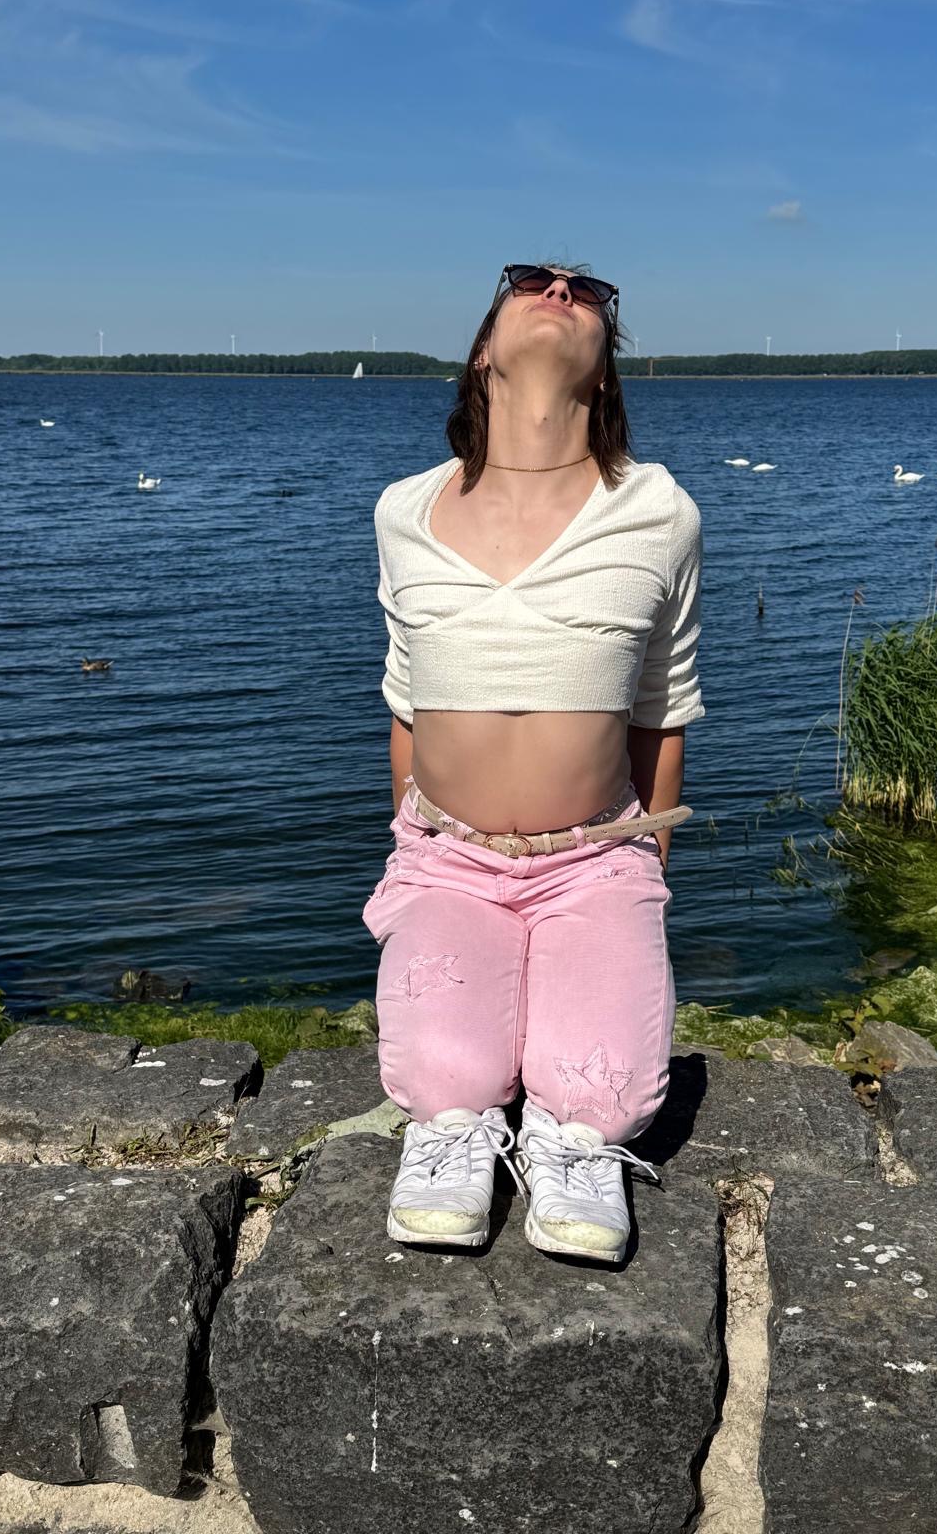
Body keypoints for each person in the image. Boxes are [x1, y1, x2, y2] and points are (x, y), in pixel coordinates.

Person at [361, 261, 705, 1265]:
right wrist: (410, 853)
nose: (560, 291)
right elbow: (405, 704)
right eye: (531, 281)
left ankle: (570, 1142)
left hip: (595, 859)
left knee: (608, 1090)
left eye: (586, 291)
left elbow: (664, 714)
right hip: (448, 857)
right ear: (483, 352)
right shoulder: (404, 513)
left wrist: (643, 880)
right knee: (442, 1076)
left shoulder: (658, 513)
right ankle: (457, 1129)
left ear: (605, 368)